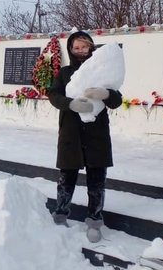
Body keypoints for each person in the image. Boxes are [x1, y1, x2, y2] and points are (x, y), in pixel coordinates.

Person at [48, 31, 122, 242]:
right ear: (71, 50)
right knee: (66, 178)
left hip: (96, 134)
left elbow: (116, 100)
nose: (80, 51)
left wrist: (106, 94)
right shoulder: (64, 73)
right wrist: (70, 104)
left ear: (91, 47)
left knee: (97, 181)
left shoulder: (102, 72)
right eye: (76, 48)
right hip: (71, 132)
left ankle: (94, 221)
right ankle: (61, 215)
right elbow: (54, 95)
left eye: (84, 47)